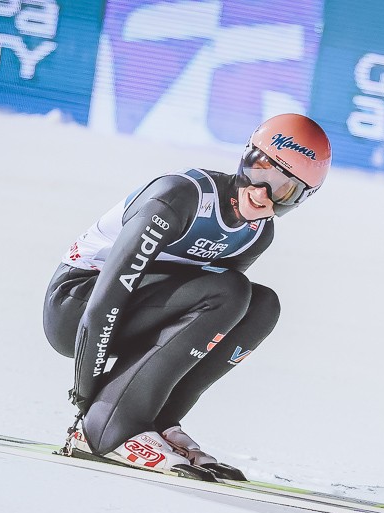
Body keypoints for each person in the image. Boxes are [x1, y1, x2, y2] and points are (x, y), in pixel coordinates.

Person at [42, 114, 331, 480]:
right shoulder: (181, 197)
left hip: (134, 309)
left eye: (283, 189)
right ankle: (110, 427)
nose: (262, 192)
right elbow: (105, 301)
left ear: (300, 199)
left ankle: (157, 421)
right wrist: (87, 400)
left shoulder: (257, 234)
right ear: (245, 157)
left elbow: (206, 322)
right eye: (260, 170)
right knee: (229, 291)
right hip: (76, 304)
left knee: (261, 306)